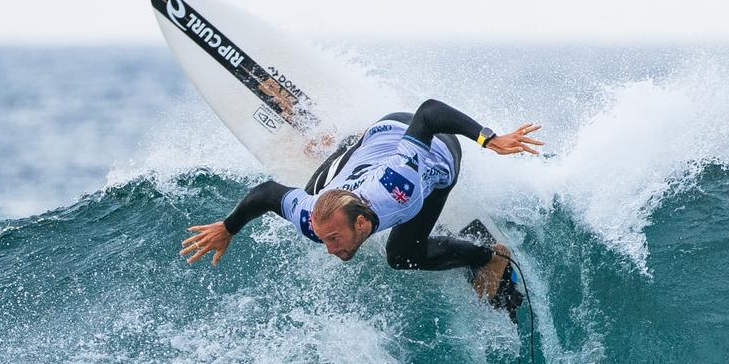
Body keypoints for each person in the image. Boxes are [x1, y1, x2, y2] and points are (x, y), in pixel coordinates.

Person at [181, 99, 543, 298]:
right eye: (326, 239)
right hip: (375, 137)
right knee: (311, 190)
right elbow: (267, 194)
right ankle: (335, 141)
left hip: (437, 154)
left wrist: (488, 139)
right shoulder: (313, 219)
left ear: (362, 222)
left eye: (334, 238)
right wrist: (229, 228)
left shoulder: (397, 186)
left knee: (402, 255)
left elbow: (430, 113)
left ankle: (487, 256)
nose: (328, 247)